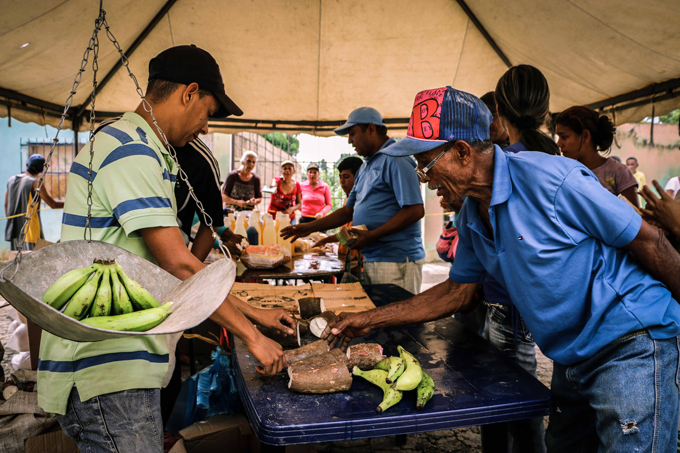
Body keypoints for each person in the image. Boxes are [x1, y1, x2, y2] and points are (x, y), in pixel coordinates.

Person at [323, 86, 680, 452]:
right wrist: (370, 319)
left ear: (462, 152)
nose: (423, 177)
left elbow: (650, 242)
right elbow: (456, 292)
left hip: (630, 343)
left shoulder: (552, 179)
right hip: (572, 357)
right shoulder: (471, 215)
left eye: (425, 164)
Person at [39, 45, 294, 452]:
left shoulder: (146, 149)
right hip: (108, 370)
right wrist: (251, 337)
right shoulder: (131, 151)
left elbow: (180, 261)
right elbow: (179, 265)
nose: (207, 128)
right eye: (208, 112)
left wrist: (255, 311)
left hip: (120, 368)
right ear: (188, 93)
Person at [281, 107, 426, 294]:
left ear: (371, 130)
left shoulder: (396, 159)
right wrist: (309, 227)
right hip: (374, 257)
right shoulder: (366, 166)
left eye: (352, 134)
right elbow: (348, 211)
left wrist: (372, 236)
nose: (350, 140)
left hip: (396, 260)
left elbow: (415, 210)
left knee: (397, 319)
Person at [555, 106, 640, 208]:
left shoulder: (618, 171)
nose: (559, 143)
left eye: (564, 137)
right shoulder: (564, 171)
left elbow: (636, 216)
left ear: (585, 136)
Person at [4, 154, 64, 250]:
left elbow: (6, 204)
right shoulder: (36, 182)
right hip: (29, 230)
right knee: (32, 260)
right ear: (41, 170)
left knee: (17, 261)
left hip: (14, 230)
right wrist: (70, 203)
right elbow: (53, 204)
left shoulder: (11, 180)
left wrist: (12, 221)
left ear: (27, 165)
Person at [312, 156, 364, 257]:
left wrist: (326, 238)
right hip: (345, 256)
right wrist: (326, 240)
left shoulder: (362, 202)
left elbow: (353, 234)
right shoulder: (347, 201)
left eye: (346, 177)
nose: (342, 181)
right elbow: (345, 234)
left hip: (356, 259)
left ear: (358, 177)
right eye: (340, 177)